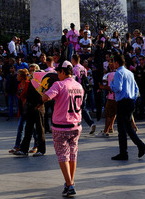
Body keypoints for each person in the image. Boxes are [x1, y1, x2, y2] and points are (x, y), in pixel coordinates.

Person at [41, 61, 84, 197]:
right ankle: (69, 182)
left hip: (61, 125)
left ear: (63, 72)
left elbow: (46, 97)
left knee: (63, 155)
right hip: (76, 124)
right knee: (73, 154)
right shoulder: (79, 86)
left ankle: (70, 185)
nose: (58, 75)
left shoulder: (58, 85)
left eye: (59, 72)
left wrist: (42, 90)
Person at [110, 54, 145, 161]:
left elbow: (118, 88)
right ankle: (140, 145)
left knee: (122, 129)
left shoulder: (118, 73)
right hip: (130, 102)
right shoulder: (130, 73)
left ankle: (124, 152)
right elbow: (136, 89)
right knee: (128, 127)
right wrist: (133, 100)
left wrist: (111, 85)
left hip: (122, 102)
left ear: (116, 62)